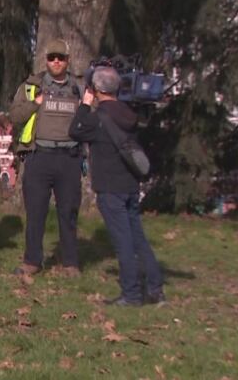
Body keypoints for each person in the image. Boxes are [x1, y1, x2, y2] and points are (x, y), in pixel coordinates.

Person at [69, 67, 165, 306]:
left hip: (110, 187)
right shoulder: (128, 114)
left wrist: (84, 104)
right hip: (130, 184)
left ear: (98, 90)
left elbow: (75, 130)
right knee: (138, 238)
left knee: (123, 242)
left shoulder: (97, 118)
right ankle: (155, 289)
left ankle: (131, 294)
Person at [8, 38, 82, 277]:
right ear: (46, 60)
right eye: (52, 58)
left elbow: (91, 120)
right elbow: (15, 116)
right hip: (39, 157)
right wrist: (35, 103)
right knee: (36, 212)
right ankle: (32, 261)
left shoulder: (78, 88)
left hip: (69, 158)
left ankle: (70, 263)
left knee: (68, 213)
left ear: (68, 61)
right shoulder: (31, 86)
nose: (56, 61)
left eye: (61, 58)